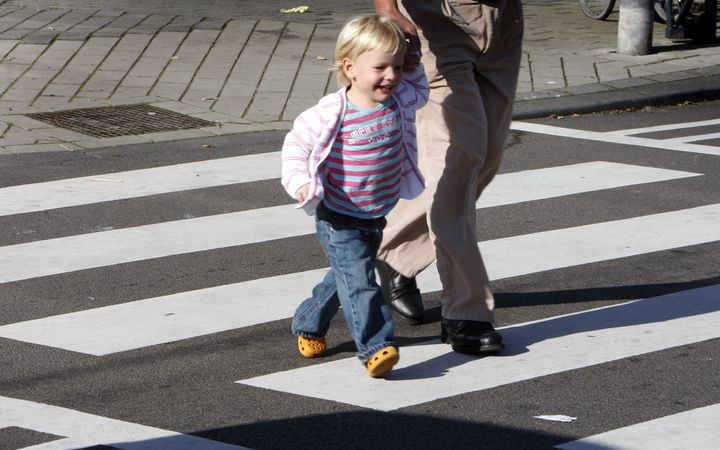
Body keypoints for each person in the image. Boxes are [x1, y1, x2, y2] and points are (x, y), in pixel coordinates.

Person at [280, 14, 429, 377]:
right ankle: (376, 347)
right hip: (338, 216)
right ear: (350, 68)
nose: (391, 76)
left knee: (345, 277)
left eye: (396, 67)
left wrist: (415, 60)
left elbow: (420, 89)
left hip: (377, 212)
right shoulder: (334, 112)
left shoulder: (398, 99)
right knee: (362, 282)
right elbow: (296, 145)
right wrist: (300, 181)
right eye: (380, 67)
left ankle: (308, 322)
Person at [371, 0, 524, 354]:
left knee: (484, 158)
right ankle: (465, 311)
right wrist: (388, 10)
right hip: (435, 23)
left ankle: (395, 251)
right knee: (457, 163)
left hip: (503, 22)